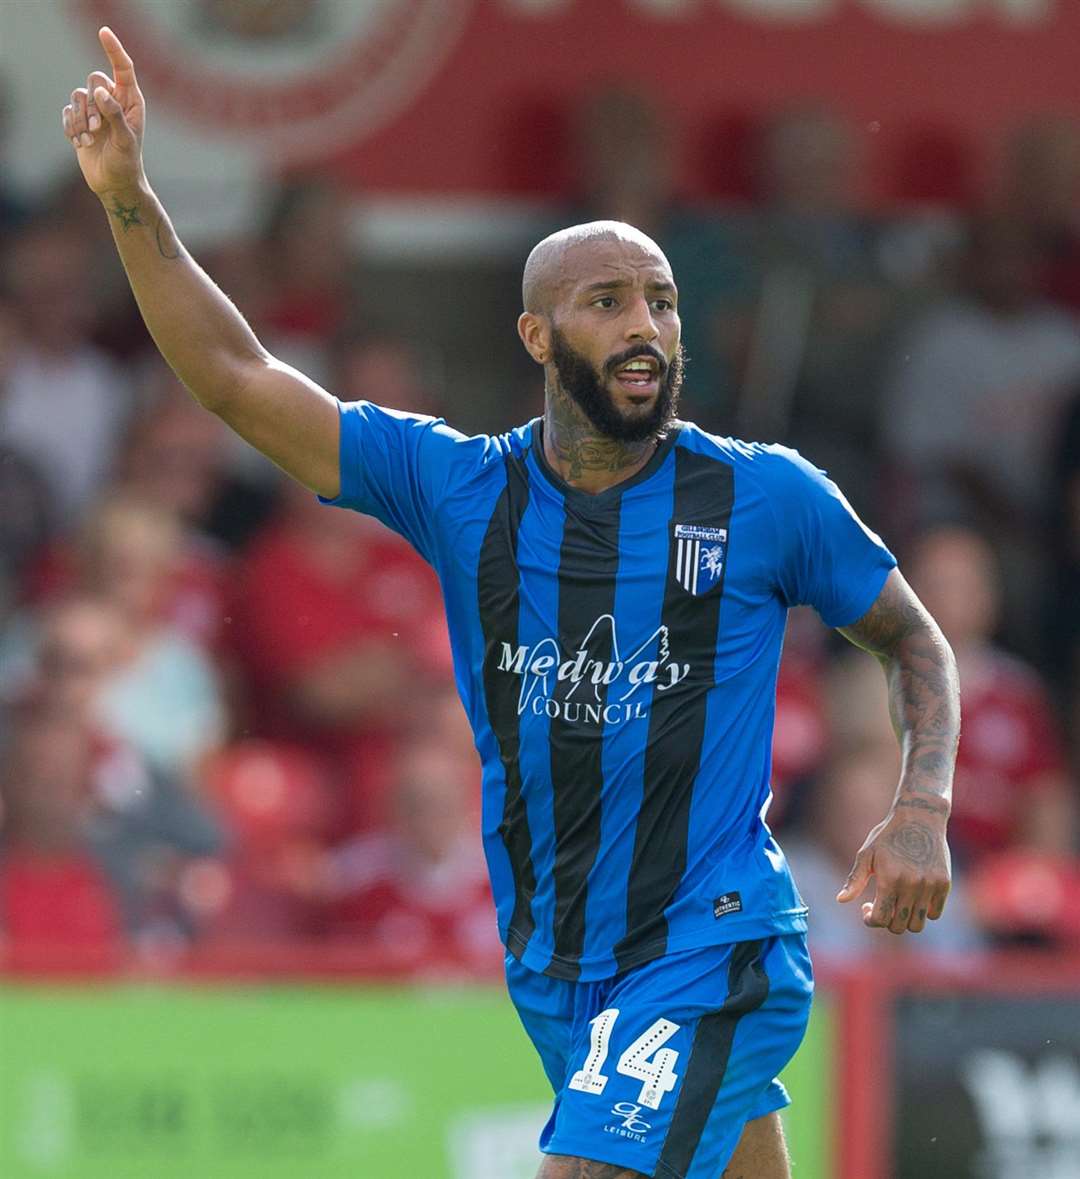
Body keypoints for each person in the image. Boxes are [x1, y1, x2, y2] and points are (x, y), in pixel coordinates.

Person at [61, 30, 960, 1179]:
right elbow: (238, 380)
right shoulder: (461, 487)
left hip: (713, 942)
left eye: (662, 301)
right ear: (537, 335)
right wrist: (131, 201)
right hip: (558, 962)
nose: (645, 326)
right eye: (607, 302)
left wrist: (923, 802)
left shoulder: (766, 496)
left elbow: (910, 638)